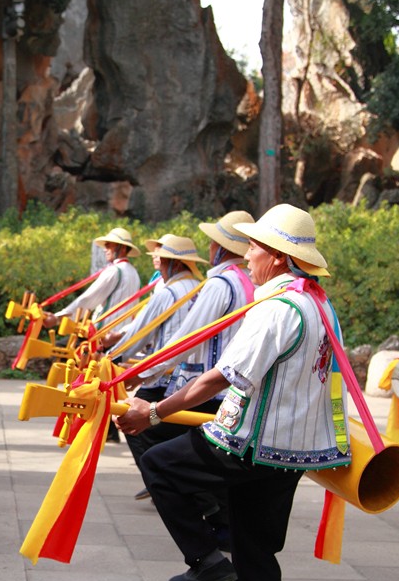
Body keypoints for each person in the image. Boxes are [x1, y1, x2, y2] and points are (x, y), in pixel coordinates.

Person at [118, 204, 346, 581]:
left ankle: (204, 557)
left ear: (280, 258)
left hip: (248, 442)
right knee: (254, 547)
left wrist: (155, 412)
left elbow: (218, 378)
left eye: (255, 248)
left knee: (160, 464)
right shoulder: (320, 304)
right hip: (292, 450)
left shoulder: (277, 308)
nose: (247, 257)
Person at [127, 213, 257, 514]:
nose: (210, 249)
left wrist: (141, 372)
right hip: (233, 391)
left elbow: (189, 337)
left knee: (147, 432)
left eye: (213, 243)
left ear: (221, 248)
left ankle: (189, 500)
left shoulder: (220, 284)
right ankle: (205, 505)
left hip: (209, 389)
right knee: (205, 453)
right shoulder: (247, 282)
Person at [104, 234, 205, 471]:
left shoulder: (168, 293)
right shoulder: (201, 288)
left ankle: (161, 475)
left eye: (163, 257)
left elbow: (141, 332)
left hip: (163, 370)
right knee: (172, 428)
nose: (157, 260)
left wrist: (112, 356)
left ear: (177, 263)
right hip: (190, 373)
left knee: (131, 421)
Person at [41, 227, 142, 329]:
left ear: (123, 248)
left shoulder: (115, 271)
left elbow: (89, 299)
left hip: (103, 334)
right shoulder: (134, 273)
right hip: (122, 334)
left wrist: (58, 318)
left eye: (108, 246)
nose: (104, 250)